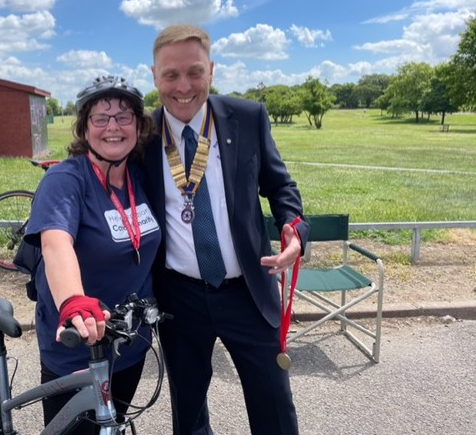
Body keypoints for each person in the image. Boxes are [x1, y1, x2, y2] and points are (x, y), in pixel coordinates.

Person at [142, 24, 310, 434]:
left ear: (212, 70)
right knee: (189, 409)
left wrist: (295, 231)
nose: (184, 86)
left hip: (248, 291)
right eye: (171, 75)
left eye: (194, 72)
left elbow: (280, 186)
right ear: (154, 76)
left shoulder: (247, 117)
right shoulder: (141, 133)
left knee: (273, 405)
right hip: (177, 295)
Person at [23, 75, 161, 433]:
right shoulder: (66, 180)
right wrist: (74, 301)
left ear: (138, 126)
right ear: (84, 128)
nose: (112, 127)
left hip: (128, 344)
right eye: (101, 118)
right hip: (76, 347)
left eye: (123, 116)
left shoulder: (140, 176)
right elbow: (56, 243)